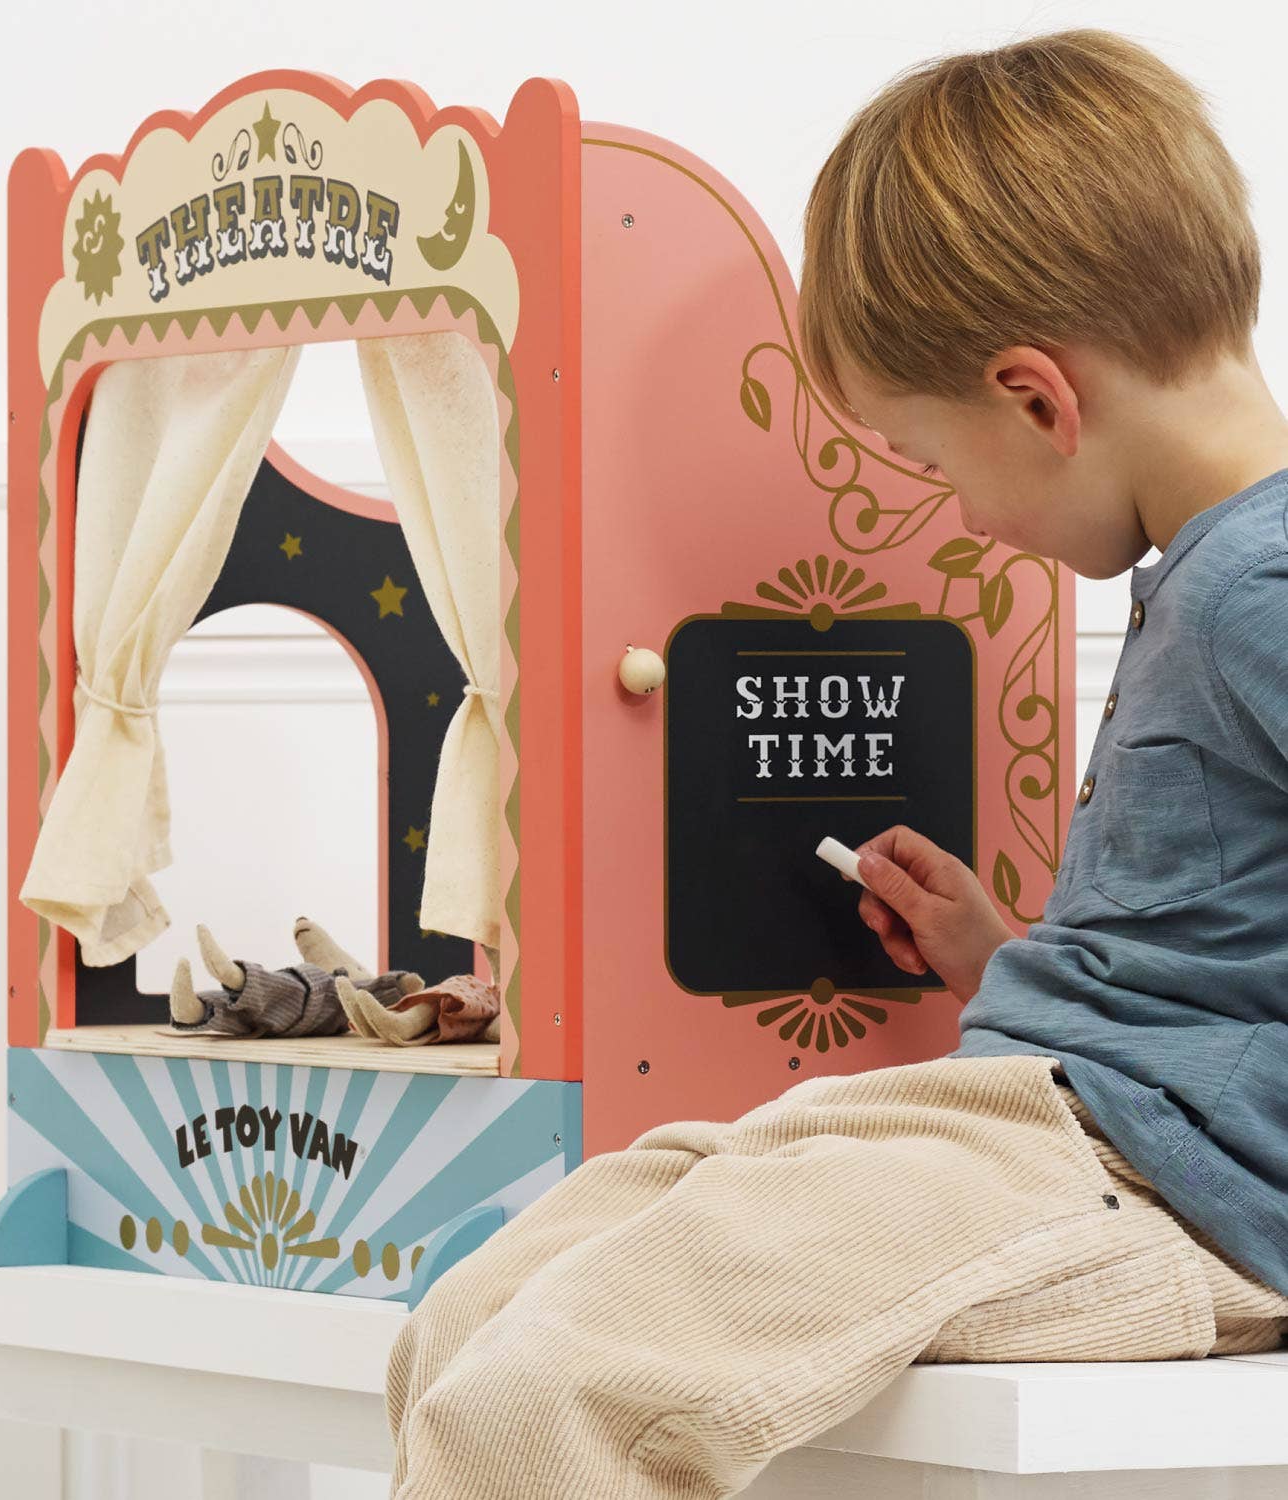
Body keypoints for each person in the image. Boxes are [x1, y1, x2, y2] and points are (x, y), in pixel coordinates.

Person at [384, 30, 1288, 1498]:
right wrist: (1002, 950)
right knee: (481, 1311)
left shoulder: (1261, 584)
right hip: (1038, 1120)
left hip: (1155, 1185)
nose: (958, 515)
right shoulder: (1211, 572)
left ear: (1037, 399)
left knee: (555, 1387)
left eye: (933, 464)